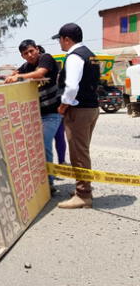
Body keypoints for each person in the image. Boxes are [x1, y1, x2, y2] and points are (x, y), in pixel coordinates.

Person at [52, 23, 100, 209]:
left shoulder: (74, 57)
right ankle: (83, 187)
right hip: (92, 108)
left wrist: (63, 106)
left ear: (66, 39)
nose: (60, 44)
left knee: (78, 153)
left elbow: (72, 87)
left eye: (60, 40)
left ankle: (83, 195)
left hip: (79, 111)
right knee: (83, 151)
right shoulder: (90, 55)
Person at [5, 39, 62, 193]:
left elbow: (40, 74)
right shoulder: (26, 66)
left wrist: (19, 77)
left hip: (52, 114)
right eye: (25, 53)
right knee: (32, 147)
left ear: (37, 49)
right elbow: (17, 73)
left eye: (31, 51)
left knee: (44, 145)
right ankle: (38, 180)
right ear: (22, 56)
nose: (29, 55)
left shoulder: (46, 58)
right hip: (35, 114)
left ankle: (49, 184)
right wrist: (13, 75)